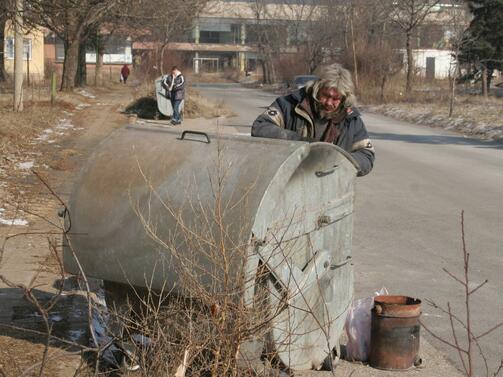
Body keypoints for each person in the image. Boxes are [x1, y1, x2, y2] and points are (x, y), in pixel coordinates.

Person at [251, 63, 374, 176]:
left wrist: (339, 162)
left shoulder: (350, 120)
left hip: (330, 190)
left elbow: (366, 155)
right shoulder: (289, 104)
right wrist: (297, 141)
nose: (329, 102)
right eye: (325, 95)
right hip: (288, 181)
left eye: (336, 98)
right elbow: (260, 127)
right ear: (317, 88)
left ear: (344, 98)